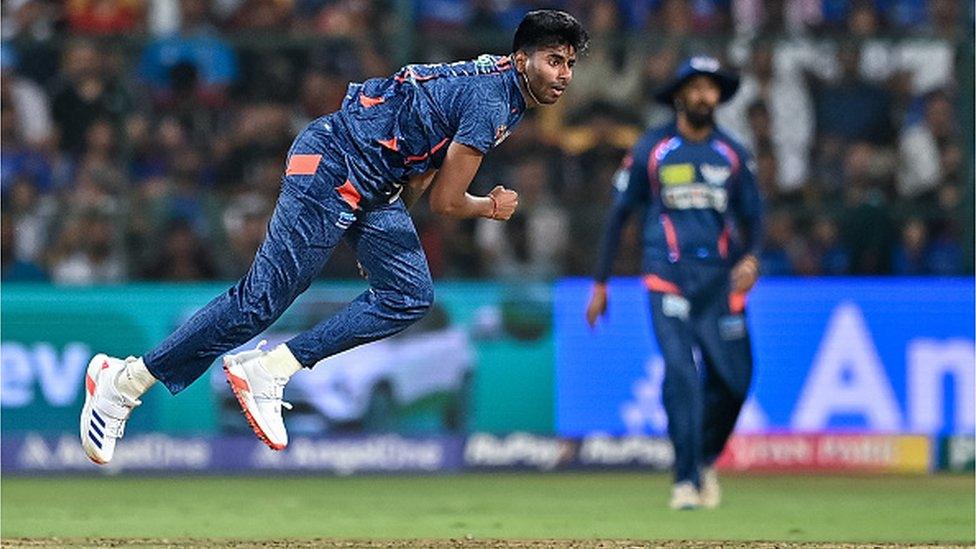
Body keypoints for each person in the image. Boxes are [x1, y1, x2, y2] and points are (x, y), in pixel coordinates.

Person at [80, 10, 589, 465]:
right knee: (261, 301)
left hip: (376, 179)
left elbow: (421, 168)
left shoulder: (500, 83)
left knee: (409, 294)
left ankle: (272, 367)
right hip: (335, 164)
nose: (563, 75)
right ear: (521, 58)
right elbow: (449, 202)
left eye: (568, 63)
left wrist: (383, 243)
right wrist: (491, 206)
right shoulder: (492, 102)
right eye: (553, 61)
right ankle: (123, 383)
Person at [585, 56, 763, 510]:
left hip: (720, 282)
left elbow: (754, 218)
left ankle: (703, 458)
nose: (705, 96)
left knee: (736, 381)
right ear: (680, 95)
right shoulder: (653, 149)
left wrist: (753, 259)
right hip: (667, 277)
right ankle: (685, 480)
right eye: (696, 88)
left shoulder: (732, 153)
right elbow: (618, 215)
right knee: (682, 375)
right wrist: (601, 283)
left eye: (712, 89)